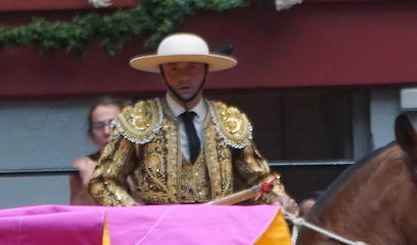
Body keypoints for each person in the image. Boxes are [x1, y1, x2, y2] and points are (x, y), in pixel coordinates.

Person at [89, 32, 297, 212]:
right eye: (173, 69)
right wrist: (136, 214)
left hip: (218, 229)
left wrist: (278, 198)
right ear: (162, 74)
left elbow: (258, 178)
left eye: (192, 68)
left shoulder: (229, 120)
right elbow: (104, 180)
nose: (184, 77)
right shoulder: (138, 119)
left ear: (206, 72)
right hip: (159, 233)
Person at [69, 97, 128, 206]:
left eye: (114, 124)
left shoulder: (148, 162)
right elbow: (76, 214)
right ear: (92, 136)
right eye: (99, 126)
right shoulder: (83, 165)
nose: (107, 132)